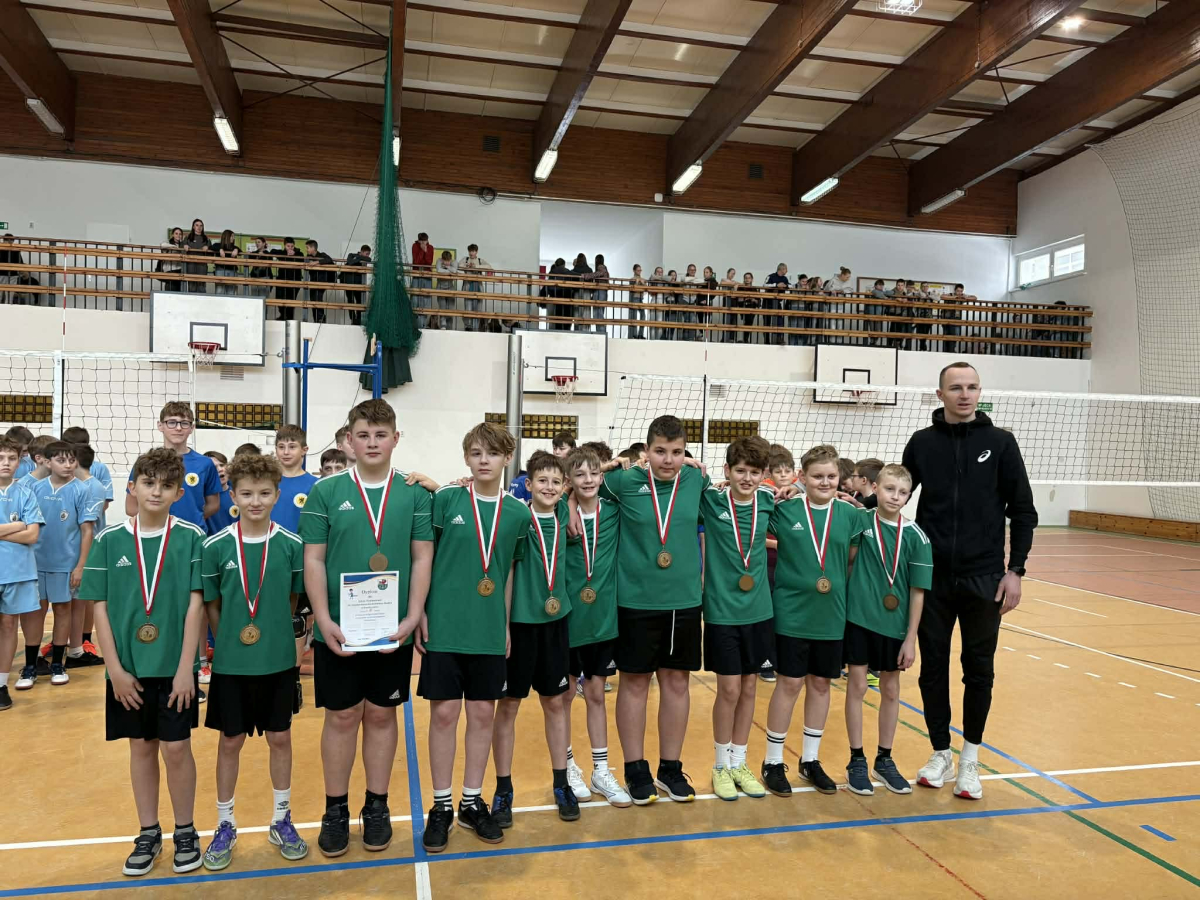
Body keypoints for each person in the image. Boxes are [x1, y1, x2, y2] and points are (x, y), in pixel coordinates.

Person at [299, 398, 434, 857]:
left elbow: (422, 557)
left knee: (380, 714)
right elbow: (313, 560)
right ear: (348, 441)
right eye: (363, 435)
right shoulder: (325, 492)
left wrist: (413, 614)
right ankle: (335, 809)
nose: (372, 442)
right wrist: (323, 619)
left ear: (396, 439)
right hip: (338, 627)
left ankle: (376, 806)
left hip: (391, 627)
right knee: (341, 717)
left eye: (380, 435)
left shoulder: (414, 493)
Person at [906, 362, 1037, 801]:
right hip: (933, 577)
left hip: (985, 577)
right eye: (956, 387)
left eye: (972, 387)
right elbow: (894, 495)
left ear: (980, 392)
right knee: (933, 668)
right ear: (940, 394)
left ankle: (970, 759)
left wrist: (1015, 570)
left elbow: (1023, 511)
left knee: (979, 670)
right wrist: (843, 499)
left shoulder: (1001, 443)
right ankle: (940, 753)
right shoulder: (922, 443)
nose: (965, 394)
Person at [80, 447, 206, 876]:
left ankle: (186, 830)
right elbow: (99, 607)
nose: (156, 491)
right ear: (132, 487)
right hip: (128, 670)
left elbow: (195, 606)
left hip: (175, 669)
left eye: (166, 485)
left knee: (177, 748)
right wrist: (114, 670)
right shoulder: (109, 540)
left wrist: (187, 668)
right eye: (148, 483)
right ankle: (148, 831)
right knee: (141, 746)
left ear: (178, 493)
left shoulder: (191, 538)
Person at [417, 423, 529, 852]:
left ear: (507, 459)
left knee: (482, 715)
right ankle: (441, 805)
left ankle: (470, 801)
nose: (484, 460)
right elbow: (424, 558)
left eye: (493, 453)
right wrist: (420, 611)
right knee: (444, 716)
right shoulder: (446, 500)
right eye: (477, 453)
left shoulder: (517, 513)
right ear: (466, 457)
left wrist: (504, 625)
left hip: (487, 631)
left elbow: (508, 572)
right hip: (445, 627)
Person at [200, 453, 308, 870]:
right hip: (232, 665)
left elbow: (292, 601)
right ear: (233, 495)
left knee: (280, 738)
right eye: (246, 494)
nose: (255, 501)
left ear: (278, 495)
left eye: (264, 493)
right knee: (230, 741)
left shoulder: (291, 545)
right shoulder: (215, 547)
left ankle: (281, 818)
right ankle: (225, 823)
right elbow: (213, 606)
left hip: (277, 662)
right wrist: (230, 639)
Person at [595, 415, 709, 805]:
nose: (669, 460)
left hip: (684, 602)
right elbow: (577, 483)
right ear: (646, 451)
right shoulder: (623, 482)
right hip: (635, 601)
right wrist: (609, 464)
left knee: (677, 684)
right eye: (660, 451)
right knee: (635, 684)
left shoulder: (696, 480)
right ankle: (635, 768)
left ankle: (670, 769)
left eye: (677, 452)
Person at [760, 444, 863, 797]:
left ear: (839, 477)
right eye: (817, 476)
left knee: (820, 684)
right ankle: (773, 761)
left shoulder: (849, 515)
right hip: (792, 612)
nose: (825, 482)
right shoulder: (785, 509)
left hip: (831, 614)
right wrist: (781, 490)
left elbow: (851, 558)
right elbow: (751, 508)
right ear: (803, 476)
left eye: (831, 476)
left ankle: (810, 759)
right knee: (789, 684)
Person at [491, 451, 579, 826]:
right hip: (520, 625)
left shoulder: (564, 515)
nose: (548, 487)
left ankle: (562, 783)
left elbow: (601, 474)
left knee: (556, 702)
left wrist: (572, 497)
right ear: (528, 484)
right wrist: (504, 626)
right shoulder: (516, 517)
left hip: (556, 623)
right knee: (508, 705)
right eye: (541, 480)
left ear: (564, 487)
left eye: (556, 482)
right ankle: (503, 789)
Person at [843, 464, 932, 796]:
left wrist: (911, 639)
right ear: (875, 488)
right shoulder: (860, 521)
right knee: (857, 686)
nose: (895, 497)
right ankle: (856, 759)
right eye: (890, 489)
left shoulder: (917, 537)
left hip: (894, 627)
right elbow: (848, 560)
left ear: (908, 497)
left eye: (902, 492)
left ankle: (884, 758)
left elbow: (918, 592)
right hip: (858, 619)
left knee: (891, 690)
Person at [702, 436, 773, 802]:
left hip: (759, 611)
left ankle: (739, 762)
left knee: (749, 688)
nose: (747, 479)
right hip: (721, 611)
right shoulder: (711, 501)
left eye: (754, 472)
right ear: (727, 470)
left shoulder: (770, 503)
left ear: (764, 474)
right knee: (728, 690)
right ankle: (720, 766)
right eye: (741, 471)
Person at [560, 446, 629, 806]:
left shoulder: (614, 510)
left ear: (602, 477)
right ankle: (568, 767)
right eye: (580, 475)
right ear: (569, 480)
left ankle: (601, 770)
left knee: (597, 694)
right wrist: (569, 500)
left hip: (603, 621)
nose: (588, 480)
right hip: (569, 619)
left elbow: (634, 467)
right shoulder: (560, 512)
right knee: (564, 696)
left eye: (593, 474)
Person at [22, 441, 97, 689]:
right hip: (35, 562)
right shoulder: (34, 488)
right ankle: (30, 666)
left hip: (66, 564)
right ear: (47, 462)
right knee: (36, 612)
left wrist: (81, 566)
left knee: (63, 610)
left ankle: (57, 664)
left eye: (71, 460)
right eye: (61, 460)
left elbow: (87, 531)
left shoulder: (82, 490)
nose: (68, 465)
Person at [272, 424, 319, 712]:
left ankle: (292, 679)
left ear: (304, 449)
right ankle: (269, 677)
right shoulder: (268, 482)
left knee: (296, 623)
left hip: (300, 565)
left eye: (292, 446)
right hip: (268, 564)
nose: (286, 452)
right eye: (281, 446)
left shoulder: (315, 485)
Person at [125, 402, 220, 530]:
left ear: (192, 427)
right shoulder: (145, 462)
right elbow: (131, 507)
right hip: (156, 533)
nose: (178, 428)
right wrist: (158, 525)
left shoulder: (205, 463)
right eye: (172, 422)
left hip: (192, 534)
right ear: (160, 426)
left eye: (184, 423)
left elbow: (213, 505)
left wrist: (189, 523)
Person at [0, 436, 44, 712]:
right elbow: (24, 529)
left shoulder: (26, 493)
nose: (6, 463)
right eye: (1, 458)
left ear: (19, 461)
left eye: (12, 458)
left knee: (8, 625)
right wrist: (16, 526)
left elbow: (32, 535)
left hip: (17, 571)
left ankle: (1, 684)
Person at [65, 443, 107, 667]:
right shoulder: (74, 484)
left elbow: (88, 526)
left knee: (83, 599)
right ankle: (71, 645)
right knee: (71, 601)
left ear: (75, 461)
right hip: (74, 550)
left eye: (68, 459)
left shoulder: (92, 486)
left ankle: (80, 645)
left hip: (89, 550)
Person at [203, 452, 239, 536]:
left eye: (222, 465)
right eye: (214, 467)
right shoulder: (202, 499)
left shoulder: (239, 495)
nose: (220, 469)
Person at [459, 244, 490, 332]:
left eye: (473, 251)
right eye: (470, 251)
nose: (471, 253)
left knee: (478, 310)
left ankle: (476, 328)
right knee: (468, 309)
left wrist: (476, 266)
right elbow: (458, 265)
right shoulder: (465, 259)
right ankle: (468, 327)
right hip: (468, 288)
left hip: (478, 288)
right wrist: (467, 265)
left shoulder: (480, 260)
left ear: (476, 252)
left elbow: (489, 267)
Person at [303, 241, 335, 324]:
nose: (306, 250)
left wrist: (316, 262)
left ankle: (321, 318)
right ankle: (316, 319)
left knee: (318, 298)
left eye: (307, 248)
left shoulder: (322, 255)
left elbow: (329, 259)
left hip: (321, 281)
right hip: (313, 281)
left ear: (313, 248)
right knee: (313, 300)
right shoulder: (308, 257)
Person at [272, 238, 304, 322]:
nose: (290, 248)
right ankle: (282, 315)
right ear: (284, 246)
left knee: (291, 300)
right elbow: (272, 251)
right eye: (288, 246)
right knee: (279, 298)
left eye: (292, 246)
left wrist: (294, 255)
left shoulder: (299, 253)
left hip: (294, 281)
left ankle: (289, 318)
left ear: (294, 246)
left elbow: (302, 259)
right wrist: (286, 254)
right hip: (281, 280)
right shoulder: (282, 253)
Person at [938, 284, 974, 354]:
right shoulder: (951, 294)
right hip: (947, 319)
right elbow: (942, 296)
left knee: (956, 335)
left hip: (957, 319)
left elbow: (975, 298)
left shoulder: (962, 296)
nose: (959, 293)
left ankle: (952, 350)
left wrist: (965, 297)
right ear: (955, 290)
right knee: (946, 335)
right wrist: (955, 297)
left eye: (961, 291)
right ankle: (946, 351)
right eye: (958, 291)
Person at [341, 245, 371, 327]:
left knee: (359, 302)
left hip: (358, 284)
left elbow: (369, 259)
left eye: (368, 254)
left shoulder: (358, 257)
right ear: (361, 252)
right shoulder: (351, 255)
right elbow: (350, 262)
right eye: (366, 253)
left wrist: (358, 258)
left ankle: (358, 320)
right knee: (350, 301)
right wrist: (359, 258)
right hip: (348, 282)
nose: (367, 256)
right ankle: (353, 319)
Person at [764, 264, 790, 346]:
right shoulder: (771, 276)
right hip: (767, 302)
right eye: (786, 269)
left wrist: (785, 286)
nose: (787, 271)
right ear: (781, 269)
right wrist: (776, 285)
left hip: (777, 302)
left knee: (780, 320)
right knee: (767, 322)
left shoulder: (785, 278)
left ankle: (779, 338)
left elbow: (791, 285)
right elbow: (765, 285)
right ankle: (766, 341)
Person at [183, 219, 211, 293]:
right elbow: (181, 247)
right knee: (191, 287)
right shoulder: (188, 237)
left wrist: (208, 247)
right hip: (190, 265)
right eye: (197, 225)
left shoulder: (206, 238)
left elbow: (211, 250)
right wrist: (185, 245)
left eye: (201, 226)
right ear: (193, 227)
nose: (199, 227)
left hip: (202, 266)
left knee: (201, 287)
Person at [433, 249, 458, 330]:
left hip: (450, 287)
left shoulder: (454, 262)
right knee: (442, 307)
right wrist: (449, 272)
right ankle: (443, 326)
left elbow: (454, 271)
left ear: (451, 259)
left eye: (448, 260)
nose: (447, 262)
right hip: (440, 287)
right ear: (442, 259)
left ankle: (450, 327)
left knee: (450, 308)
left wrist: (447, 267)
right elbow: (438, 270)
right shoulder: (439, 260)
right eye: (445, 261)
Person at [158, 227, 186, 293]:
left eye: (180, 234)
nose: (178, 235)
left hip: (180, 271)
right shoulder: (168, 243)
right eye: (176, 233)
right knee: (170, 292)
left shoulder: (183, 245)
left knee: (180, 293)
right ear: (172, 235)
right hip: (170, 271)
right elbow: (162, 245)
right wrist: (175, 247)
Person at [213, 230, 241, 297]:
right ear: (227, 237)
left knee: (231, 291)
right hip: (220, 270)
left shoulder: (234, 248)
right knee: (219, 290)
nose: (233, 238)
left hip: (232, 271)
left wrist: (236, 249)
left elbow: (240, 250)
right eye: (232, 236)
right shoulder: (218, 245)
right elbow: (212, 246)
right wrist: (220, 249)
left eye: (234, 236)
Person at [411, 233, 435, 304]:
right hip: (416, 273)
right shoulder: (415, 246)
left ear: (427, 240)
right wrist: (421, 251)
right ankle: (414, 311)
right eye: (421, 241)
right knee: (415, 296)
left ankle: (425, 311)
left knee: (426, 295)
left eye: (425, 241)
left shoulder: (430, 247)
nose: (423, 243)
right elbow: (416, 262)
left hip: (427, 274)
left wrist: (426, 252)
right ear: (418, 240)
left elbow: (429, 262)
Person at [738, 271, 759, 344]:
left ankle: (746, 339)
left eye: (749, 278)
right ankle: (745, 339)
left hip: (752, 307)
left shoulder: (755, 289)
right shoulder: (741, 288)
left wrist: (753, 299)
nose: (747, 279)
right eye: (746, 278)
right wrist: (746, 298)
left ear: (752, 279)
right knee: (747, 322)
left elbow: (758, 301)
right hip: (744, 307)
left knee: (749, 322)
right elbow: (738, 299)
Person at [628, 264, 646, 339]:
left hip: (640, 298)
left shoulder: (642, 279)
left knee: (643, 315)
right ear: (634, 271)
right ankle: (634, 334)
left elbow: (645, 289)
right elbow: (632, 288)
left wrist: (643, 283)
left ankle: (640, 334)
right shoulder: (632, 279)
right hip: (634, 298)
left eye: (640, 270)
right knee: (634, 316)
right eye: (638, 270)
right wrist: (636, 282)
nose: (639, 271)